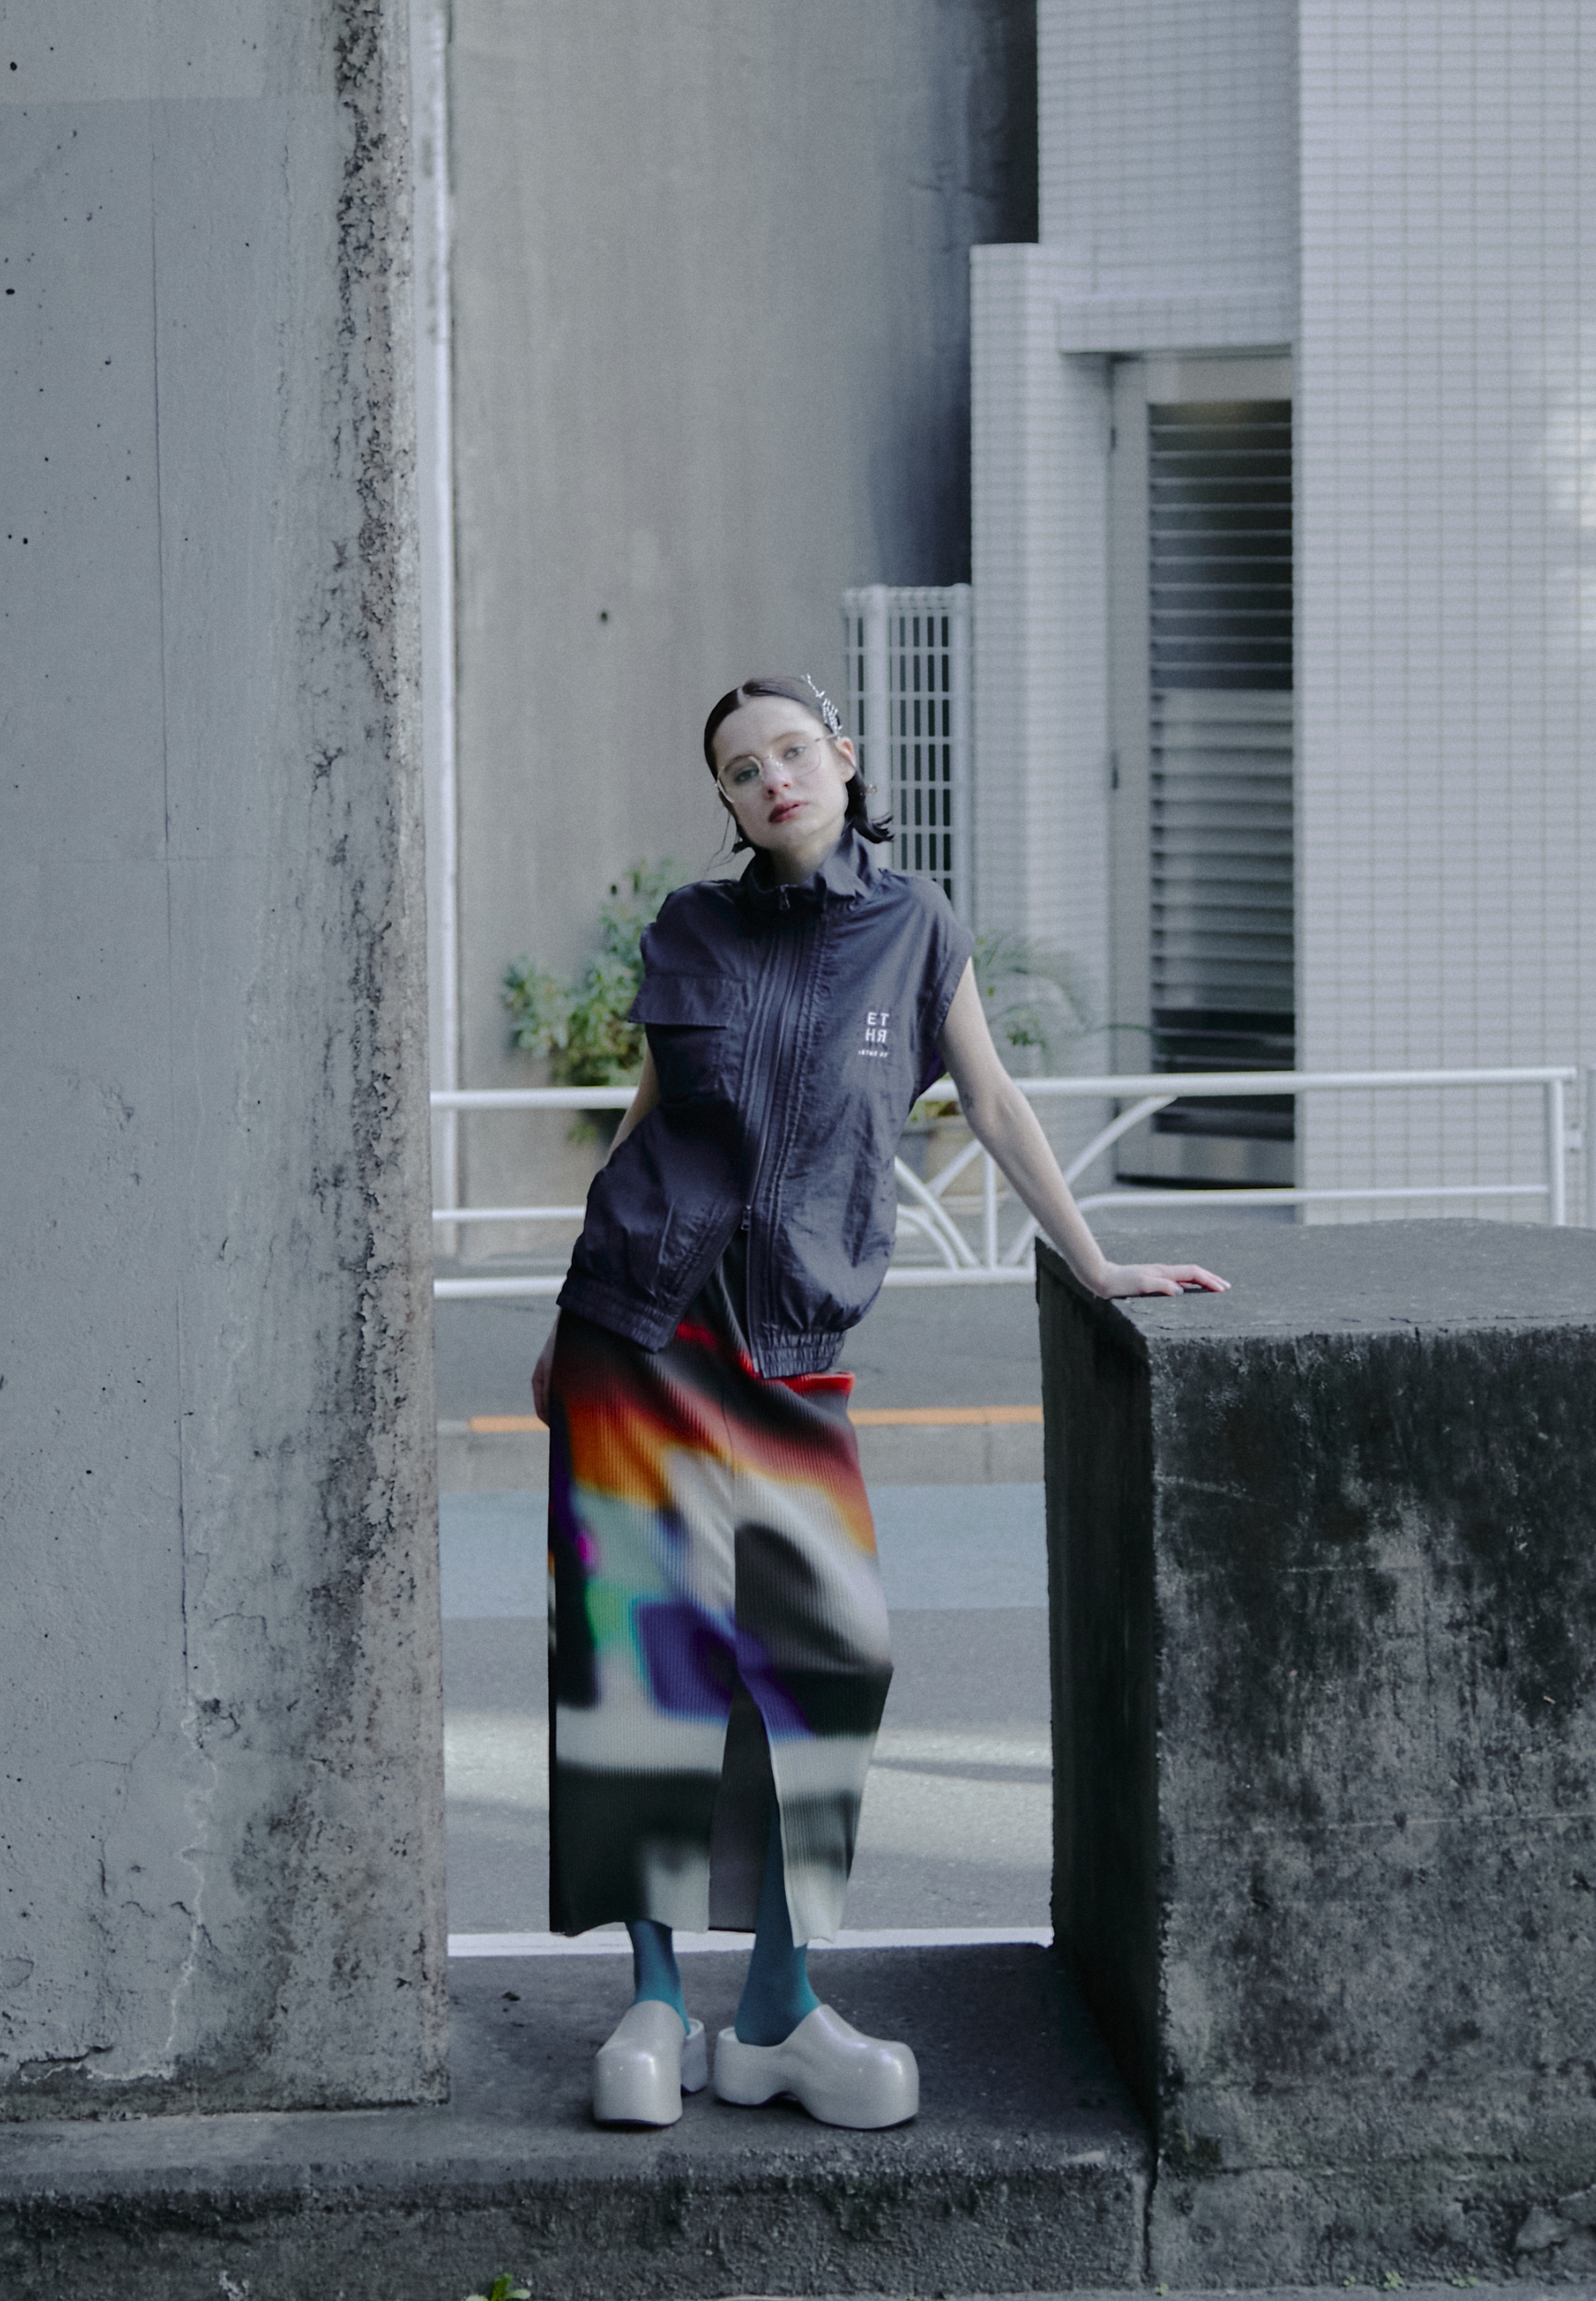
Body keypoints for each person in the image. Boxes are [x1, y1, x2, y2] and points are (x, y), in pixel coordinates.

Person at [531, 675, 1227, 2133]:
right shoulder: (689, 929)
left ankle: (775, 2010)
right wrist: (564, 1316)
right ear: (726, 803)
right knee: (639, 1656)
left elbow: (995, 1105)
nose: (772, 779)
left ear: (844, 759)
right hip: (637, 1331)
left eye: (792, 751)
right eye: (742, 769)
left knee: (832, 1658)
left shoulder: (915, 928)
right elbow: (651, 1120)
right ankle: (652, 2002)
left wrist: (1097, 1261)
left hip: (790, 1346)